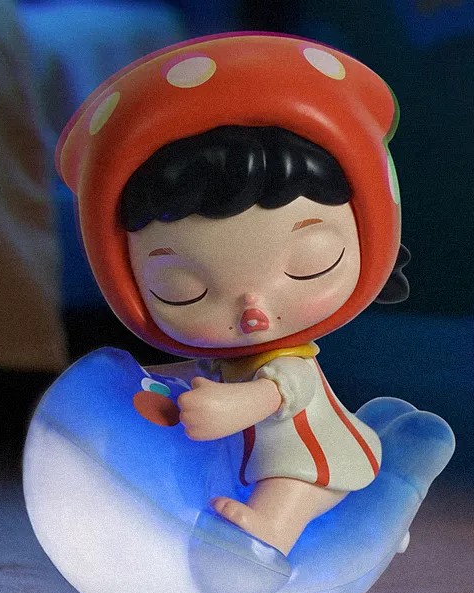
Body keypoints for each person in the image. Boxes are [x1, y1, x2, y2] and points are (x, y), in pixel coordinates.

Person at [56, 33, 408, 555]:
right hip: (247, 460)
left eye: (312, 262)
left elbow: (278, 393)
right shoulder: (225, 361)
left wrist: (230, 407)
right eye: (183, 289)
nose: (252, 310)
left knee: (289, 484)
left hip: (320, 459)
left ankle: (270, 532)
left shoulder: (289, 367)